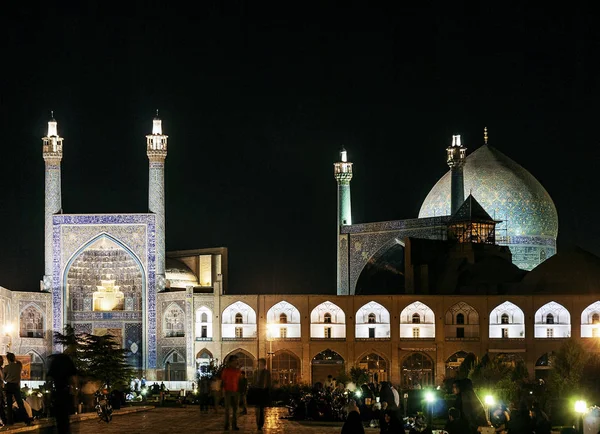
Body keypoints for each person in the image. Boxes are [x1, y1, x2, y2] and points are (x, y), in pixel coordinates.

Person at [47, 353, 77, 434]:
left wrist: (49, 396)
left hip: (57, 393)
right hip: (66, 393)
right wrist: (74, 394)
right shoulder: (68, 363)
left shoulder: (54, 363)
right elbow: (73, 381)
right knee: (65, 418)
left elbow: (49, 380)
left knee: (59, 418)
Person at [4, 353, 31, 426]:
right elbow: (19, 363)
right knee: (20, 403)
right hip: (16, 386)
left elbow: (4, 377)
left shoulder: (6, 367)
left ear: (8, 359)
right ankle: (27, 420)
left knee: (9, 404)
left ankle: (10, 421)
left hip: (9, 386)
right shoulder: (18, 366)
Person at [221, 355, 241, 431]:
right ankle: (226, 425)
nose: (236, 362)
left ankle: (234, 425)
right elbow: (223, 381)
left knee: (235, 410)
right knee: (227, 410)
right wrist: (222, 391)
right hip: (228, 391)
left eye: (237, 361)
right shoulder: (226, 370)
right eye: (235, 361)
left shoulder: (237, 371)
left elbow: (239, 381)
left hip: (236, 392)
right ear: (231, 362)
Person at [253, 357, 271, 431]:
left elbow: (268, 383)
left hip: (263, 392)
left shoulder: (266, 372)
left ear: (264, 365)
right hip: (257, 392)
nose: (259, 365)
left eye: (260, 364)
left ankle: (260, 424)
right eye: (258, 364)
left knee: (261, 409)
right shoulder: (256, 372)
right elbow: (254, 382)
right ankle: (258, 423)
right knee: (257, 409)